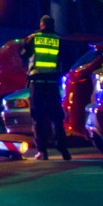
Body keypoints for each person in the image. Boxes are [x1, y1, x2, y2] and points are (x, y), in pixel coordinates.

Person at [26, 14, 70, 160]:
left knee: (38, 117)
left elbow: (24, 54)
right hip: (52, 82)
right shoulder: (59, 40)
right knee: (56, 117)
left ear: (41, 24)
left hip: (37, 83)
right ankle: (63, 149)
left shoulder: (33, 38)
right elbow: (66, 60)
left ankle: (42, 151)